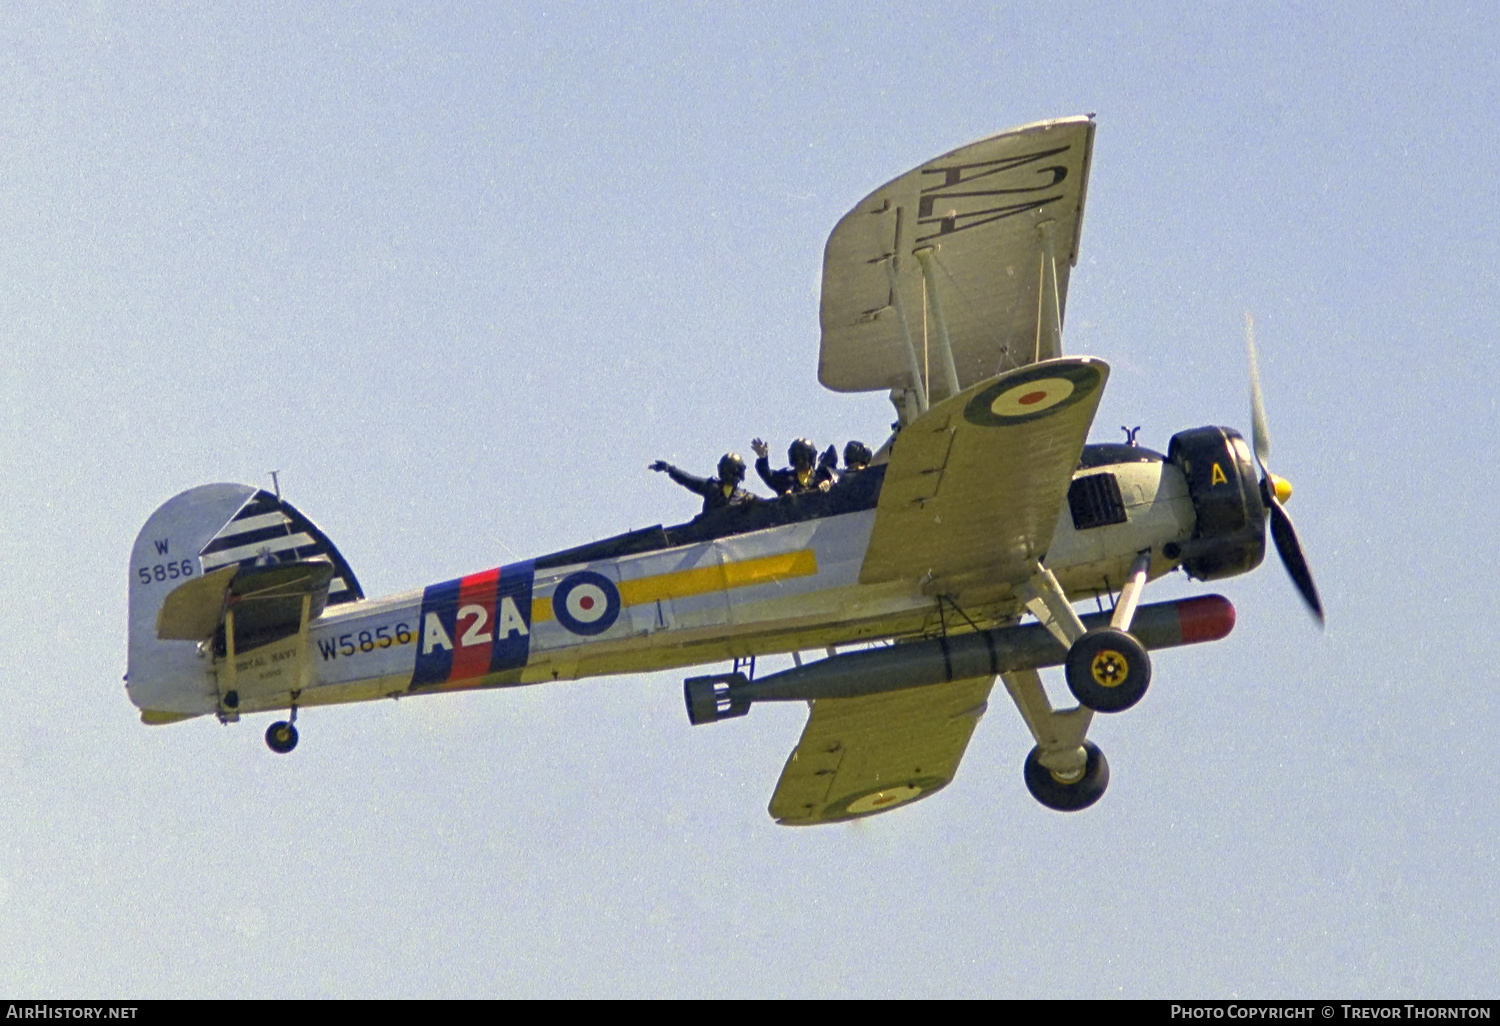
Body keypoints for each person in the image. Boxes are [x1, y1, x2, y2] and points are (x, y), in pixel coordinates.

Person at [650, 453, 758, 516]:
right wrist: (669, 469)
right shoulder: (711, 487)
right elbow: (688, 479)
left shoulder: (745, 498)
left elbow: (766, 506)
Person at [752, 438, 820, 496]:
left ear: (811, 459)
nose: (800, 462)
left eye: (803, 459)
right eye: (797, 459)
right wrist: (763, 457)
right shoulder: (785, 478)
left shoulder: (820, 477)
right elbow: (767, 475)